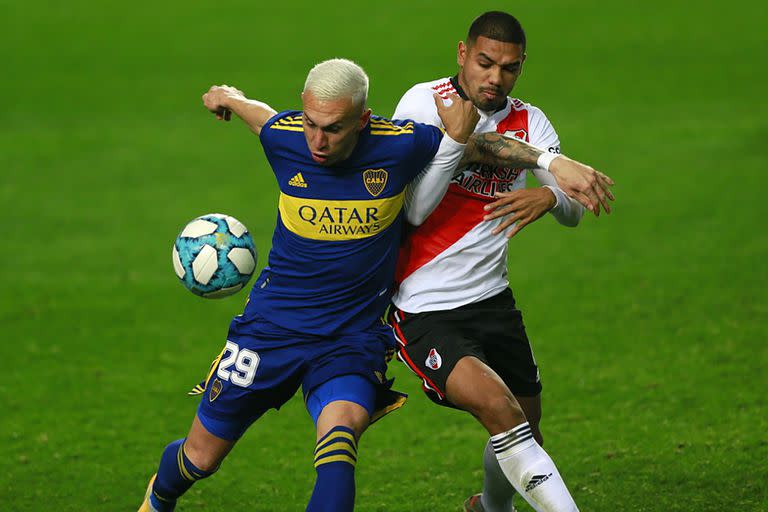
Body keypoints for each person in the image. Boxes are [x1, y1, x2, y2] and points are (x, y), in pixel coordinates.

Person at [138, 58, 481, 512]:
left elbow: (481, 148)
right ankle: (159, 499)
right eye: (312, 125)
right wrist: (229, 98)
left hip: (349, 338)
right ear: (302, 110)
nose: (318, 142)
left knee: (339, 450)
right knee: (200, 458)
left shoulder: (399, 146)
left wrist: (551, 164)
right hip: (269, 330)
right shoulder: (286, 137)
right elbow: (261, 116)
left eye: (335, 129)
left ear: (362, 119)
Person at [388, 11, 611, 512]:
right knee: (501, 411)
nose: (494, 78)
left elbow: (574, 208)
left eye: (508, 68)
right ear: (462, 54)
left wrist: (549, 200)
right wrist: (459, 143)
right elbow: (416, 210)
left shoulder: (531, 121)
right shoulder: (425, 103)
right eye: (485, 63)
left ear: (521, 67)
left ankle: (490, 508)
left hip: (493, 301)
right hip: (425, 308)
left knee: (526, 427)